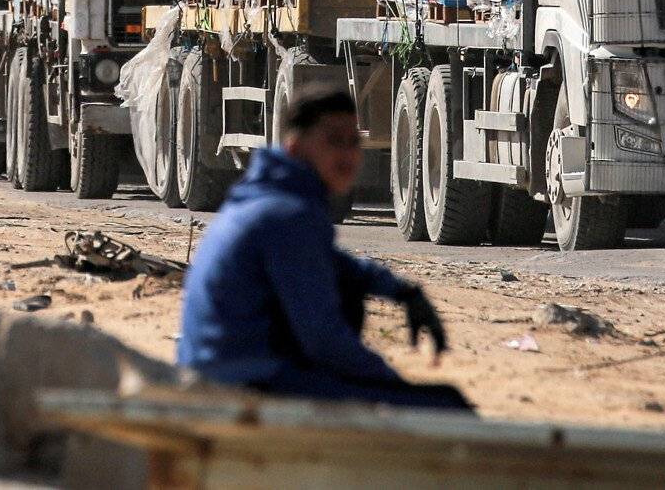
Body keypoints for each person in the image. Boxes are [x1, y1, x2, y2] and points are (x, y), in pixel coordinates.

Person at [176, 89, 472, 411]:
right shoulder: (288, 214)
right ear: (295, 146)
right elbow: (324, 340)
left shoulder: (265, 197)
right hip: (246, 384)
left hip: (216, 372)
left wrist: (402, 291)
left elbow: (329, 264)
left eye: (353, 143)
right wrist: (393, 385)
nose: (347, 155)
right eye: (333, 141)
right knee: (447, 407)